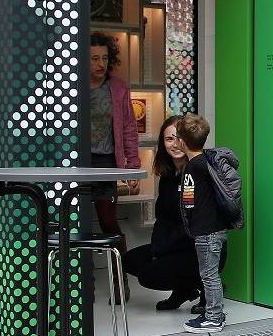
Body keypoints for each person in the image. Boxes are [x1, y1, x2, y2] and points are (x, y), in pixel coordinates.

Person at [121, 116, 202, 311]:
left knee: (149, 275)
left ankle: (206, 288)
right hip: (174, 244)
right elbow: (163, 219)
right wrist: (157, 248)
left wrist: (162, 250)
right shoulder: (167, 176)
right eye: (169, 139)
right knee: (127, 260)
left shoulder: (197, 172)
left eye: (179, 138)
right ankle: (183, 290)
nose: (175, 144)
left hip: (199, 248)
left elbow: (193, 225)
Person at [85, 32, 141, 298]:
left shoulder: (118, 87)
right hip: (80, 166)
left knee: (109, 223)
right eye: (94, 58)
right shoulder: (73, 88)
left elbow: (129, 127)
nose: (100, 64)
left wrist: (133, 166)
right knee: (78, 225)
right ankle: (83, 286)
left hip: (107, 164)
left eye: (105, 58)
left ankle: (121, 282)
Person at [174, 114, 229, 333]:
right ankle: (215, 313)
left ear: (181, 141)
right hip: (216, 228)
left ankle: (214, 317)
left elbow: (188, 200)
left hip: (206, 231)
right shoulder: (208, 162)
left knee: (209, 275)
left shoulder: (192, 167)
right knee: (211, 273)